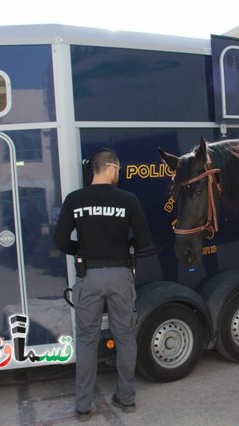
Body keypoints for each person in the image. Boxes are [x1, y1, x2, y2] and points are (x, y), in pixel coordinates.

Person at [54, 147, 151, 420]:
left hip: (89, 276)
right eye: (118, 170)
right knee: (124, 337)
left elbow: (60, 241)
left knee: (86, 341)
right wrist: (124, 247)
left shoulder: (75, 199)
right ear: (110, 167)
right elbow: (143, 240)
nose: (118, 174)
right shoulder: (127, 199)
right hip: (120, 275)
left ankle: (84, 407)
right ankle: (127, 398)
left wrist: (82, 250)